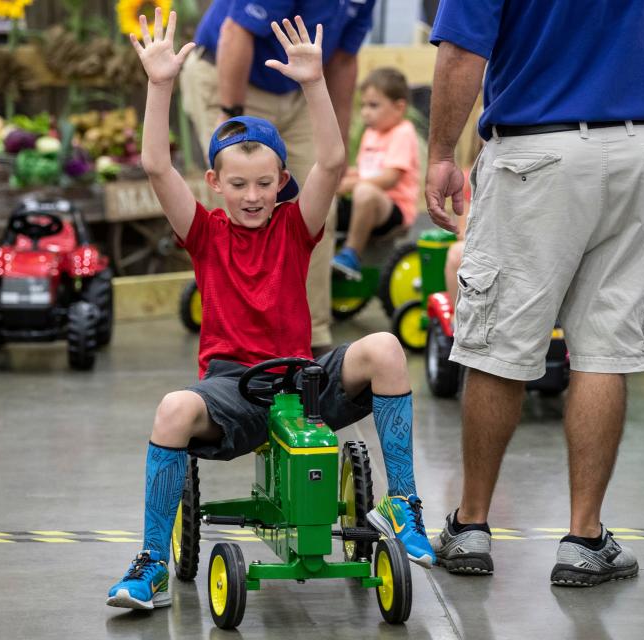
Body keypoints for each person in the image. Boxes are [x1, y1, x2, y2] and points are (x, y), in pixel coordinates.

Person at [107, 10, 434, 612]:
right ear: (215, 182)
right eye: (238, 185)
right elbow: (156, 165)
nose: (252, 197)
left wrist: (314, 83)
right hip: (235, 389)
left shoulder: (295, 225)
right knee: (173, 408)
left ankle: (404, 502)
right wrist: (159, 86)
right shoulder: (203, 232)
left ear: (282, 179)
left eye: (264, 183)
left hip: (303, 383)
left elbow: (333, 164)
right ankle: (152, 561)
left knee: (386, 346)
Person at [424, 1, 644, 585]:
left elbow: (461, 52)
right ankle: (584, 538)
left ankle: (472, 526)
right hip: (641, 152)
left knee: (500, 349)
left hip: (536, 151)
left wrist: (439, 154)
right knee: (605, 353)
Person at [182, 0, 378, 354]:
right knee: (240, 207)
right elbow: (235, 31)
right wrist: (230, 121)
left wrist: (340, 154)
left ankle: (311, 337)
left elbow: (343, 61)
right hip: (232, 75)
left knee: (321, 208)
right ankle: (235, 342)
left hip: (297, 87)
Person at [332, 67, 420, 280]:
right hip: (368, 202)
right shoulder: (371, 134)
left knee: (364, 191)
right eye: (363, 106)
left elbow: (390, 177)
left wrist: (351, 184)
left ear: (399, 108)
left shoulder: (402, 133)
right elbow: (364, 171)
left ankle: (351, 254)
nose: (365, 112)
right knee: (332, 189)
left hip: (394, 208)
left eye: (373, 105)